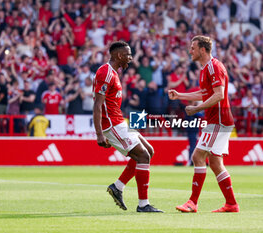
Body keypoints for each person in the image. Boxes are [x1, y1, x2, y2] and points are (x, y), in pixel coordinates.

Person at [168, 35, 239, 213]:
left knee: (198, 156)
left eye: (193, 48)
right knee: (215, 162)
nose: (190, 51)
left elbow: (219, 94)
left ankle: (192, 202)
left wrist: (196, 108)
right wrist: (181, 95)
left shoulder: (214, 67)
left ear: (202, 50)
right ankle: (231, 204)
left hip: (218, 120)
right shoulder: (206, 68)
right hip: (218, 119)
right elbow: (205, 93)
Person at [92, 41, 163, 213]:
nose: (131, 58)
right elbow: (97, 105)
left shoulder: (113, 73)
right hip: (112, 124)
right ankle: (143, 204)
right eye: (128, 54)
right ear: (119, 55)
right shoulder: (105, 73)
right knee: (143, 156)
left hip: (119, 121)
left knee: (149, 151)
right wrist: (100, 134)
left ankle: (118, 187)